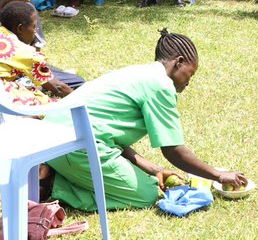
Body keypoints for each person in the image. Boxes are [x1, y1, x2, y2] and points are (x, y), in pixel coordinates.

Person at [40, 30, 247, 211]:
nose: (188, 83)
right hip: (74, 145)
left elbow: (109, 135)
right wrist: (218, 176)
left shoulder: (138, 72)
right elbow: (173, 150)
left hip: (50, 137)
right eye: (190, 75)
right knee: (146, 194)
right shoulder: (160, 85)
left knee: (146, 180)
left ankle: (54, 168)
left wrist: (153, 168)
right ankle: (54, 184)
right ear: (179, 62)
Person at [0, 0, 86, 89]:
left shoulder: (28, 9)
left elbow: (37, 43)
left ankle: (37, 83)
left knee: (78, 81)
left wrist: (35, 65)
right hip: (5, 72)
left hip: (30, 65)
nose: (23, 1)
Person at [0, 0, 73, 107]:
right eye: (33, 26)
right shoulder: (22, 51)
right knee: (52, 105)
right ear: (20, 28)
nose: (35, 31)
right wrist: (80, 99)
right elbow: (57, 87)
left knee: (32, 91)